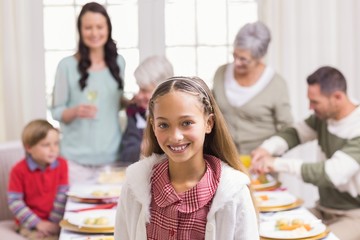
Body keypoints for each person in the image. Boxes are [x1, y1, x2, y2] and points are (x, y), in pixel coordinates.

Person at [115, 76, 259, 239]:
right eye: (163, 125)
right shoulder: (134, 186)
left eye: (186, 123)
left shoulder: (235, 194)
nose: (175, 136)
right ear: (153, 126)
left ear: (209, 123)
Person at [251, 66, 360, 240]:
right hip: (323, 210)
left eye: (315, 102)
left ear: (337, 97)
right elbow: (295, 133)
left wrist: (276, 164)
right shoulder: (323, 117)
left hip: (353, 216)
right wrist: (267, 148)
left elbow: (331, 173)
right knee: (269, 228)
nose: (310, 107)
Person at [51, 2, 126, 183]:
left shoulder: (119, 63)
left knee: (111, 211)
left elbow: (114, 103)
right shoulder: (66, 66)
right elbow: (56, 111)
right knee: (77, 211)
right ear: (80, 30)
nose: (94, 33)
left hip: (112, 158)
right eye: (88, 28)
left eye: (99, 27)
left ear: (108, 28)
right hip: (75, 161)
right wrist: (75, 111)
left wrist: (134, 101)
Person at [212, 21, 293, 155]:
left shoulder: (276, 84)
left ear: (259, 58)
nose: (236, 62)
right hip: (225, 158)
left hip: (260, 163)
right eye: (235, 55)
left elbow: (287, 129)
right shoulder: (221, 74)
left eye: (244, 59)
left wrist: (269, 152)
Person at [7, 119, 69, 240]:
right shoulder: (18, 170)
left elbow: (61, 197)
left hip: (55, 221)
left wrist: (52, 224)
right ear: (29, 148)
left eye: (56, 143)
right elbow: (15, 202)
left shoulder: (62, 164)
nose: (53, 149)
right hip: (28, 222)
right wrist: (38, 224)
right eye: (46, 145)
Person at [120, 55, 174, 163]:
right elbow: (126, 155)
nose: (139, 96)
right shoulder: (136, 111)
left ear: (162, 90)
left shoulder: (178, 112)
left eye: (144, 90)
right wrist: (143, 146)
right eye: (139, 89)